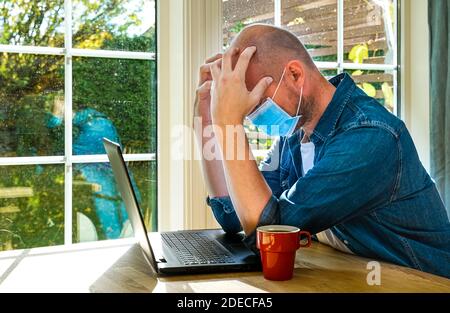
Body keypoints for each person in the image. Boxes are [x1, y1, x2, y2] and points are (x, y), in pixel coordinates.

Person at [194, 24, 450, 278]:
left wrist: (228, 122)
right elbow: (234, 216)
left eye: (259, 102)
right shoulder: (294, 136)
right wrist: (206, 115)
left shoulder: (368, 136)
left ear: (295, 75)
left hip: (424, 283)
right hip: (366, 278)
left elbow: (268, 233)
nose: (251, 115)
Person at [46, 96, 139, 239]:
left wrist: (55, 117)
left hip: (98, 177)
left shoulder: (91, 127)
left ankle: (114, 237)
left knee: (106, 207)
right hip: (117, 178)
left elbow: (58, 148)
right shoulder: (99, 119)